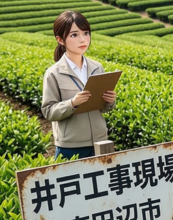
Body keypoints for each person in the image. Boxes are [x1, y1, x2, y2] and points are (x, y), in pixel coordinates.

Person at [41, 10, 117, 159]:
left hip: (101, 142)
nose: (83, 39)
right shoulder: (53, 73)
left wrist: (110, 101)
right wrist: (72, 103)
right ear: (60, 40)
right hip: (71, 146)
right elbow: (48, 111)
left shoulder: (97, 67)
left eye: (86, 33)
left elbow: (103, 108)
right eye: (74, 35)